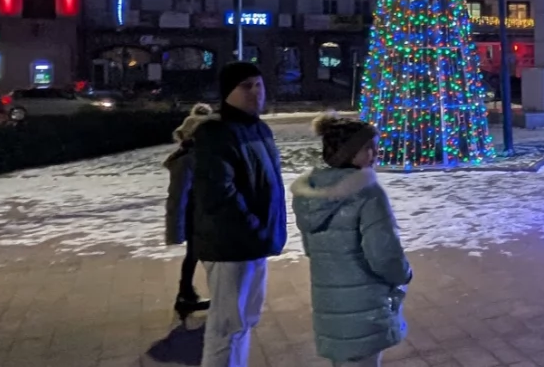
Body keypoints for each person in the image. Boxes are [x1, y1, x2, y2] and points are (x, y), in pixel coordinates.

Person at [292, 115, 412, 367]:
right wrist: (403, 274)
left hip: (330, 304)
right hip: (365, 305)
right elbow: (384, 255)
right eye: (368, 148)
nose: (375, 154)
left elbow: (311, 249)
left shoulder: (310, 194)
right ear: (348, 152)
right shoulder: (367, 192)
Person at [192, 62, 287, 367]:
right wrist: (255, 229)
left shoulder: (260, 129)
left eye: (259, 85)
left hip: (254, 243)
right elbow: (219, 194)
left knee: (243, 322)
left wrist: (268, 231)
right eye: (246, 86)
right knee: (226, 328)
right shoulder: (215, 133)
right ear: (227, 92)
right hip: (230, 247)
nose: (255, 92)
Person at [164, 103, 216, 320]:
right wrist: (175, 229)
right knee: (203, 255)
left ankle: (186, 294)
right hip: (196, 216)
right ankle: (187, 295)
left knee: (197, 255)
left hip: (202, 214)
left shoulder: (199, 155)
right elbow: (178, 196)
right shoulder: (188, 159)